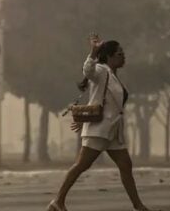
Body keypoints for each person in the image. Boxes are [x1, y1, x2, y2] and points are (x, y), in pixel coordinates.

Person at [47, 34, 152, 211]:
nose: (123, 56)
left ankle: (138, 206)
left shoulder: (113, 76)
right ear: (109, 56)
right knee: (82, 165)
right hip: (100, 130)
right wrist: (93, 52)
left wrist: (85, 120)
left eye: (122, 53)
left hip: (113, 131)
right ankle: (57, 202)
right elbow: (88, 71)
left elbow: (104, 103)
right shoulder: (101, 70)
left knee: (126, 165)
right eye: (119, 54)